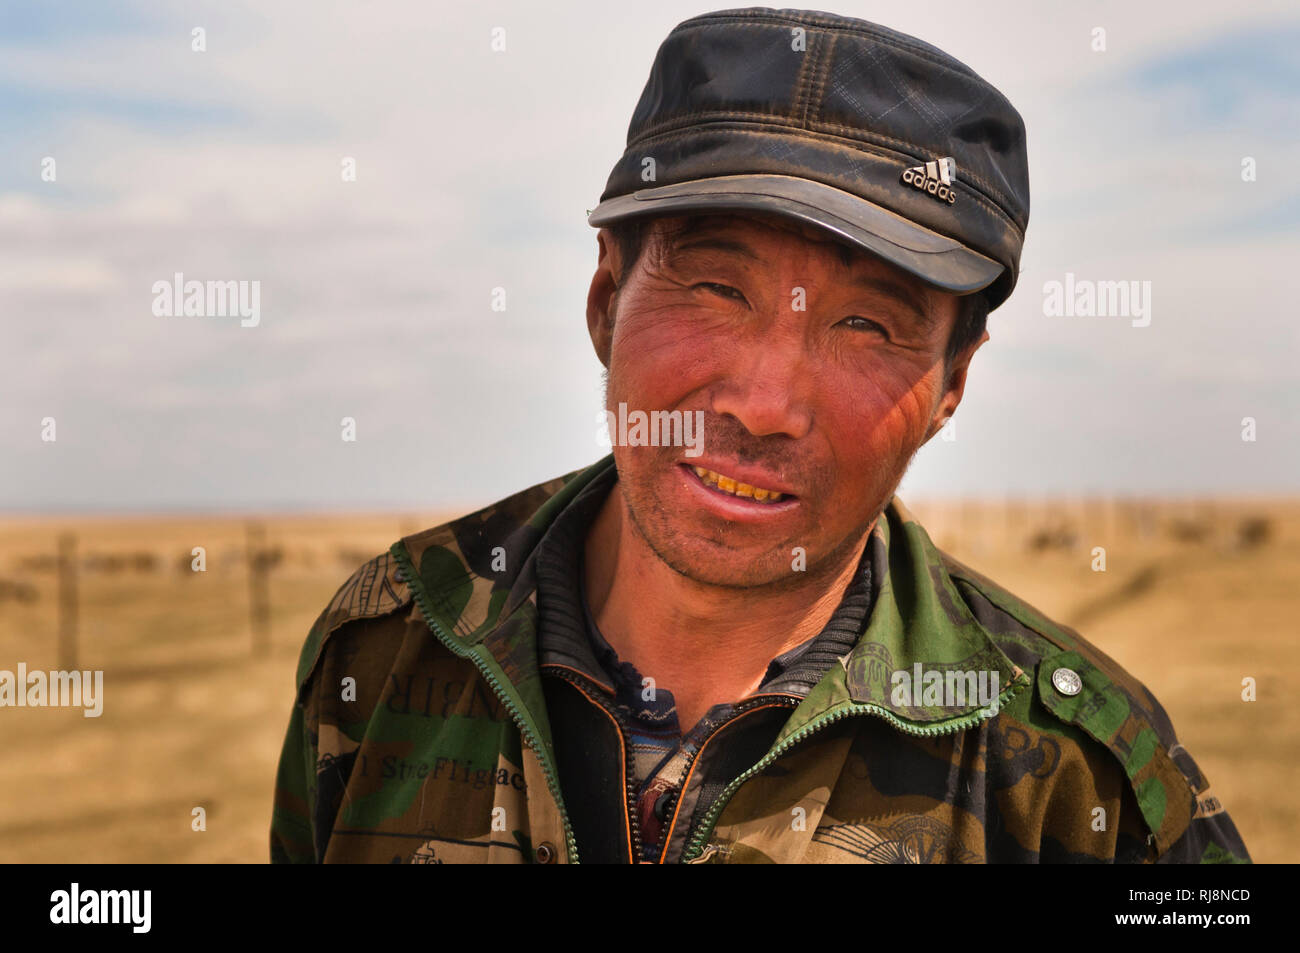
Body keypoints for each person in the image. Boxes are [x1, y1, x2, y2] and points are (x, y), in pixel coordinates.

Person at [270, 6, 1250, 864]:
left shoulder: (1074, 779)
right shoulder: (396, 644)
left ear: (951, 380)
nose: (765, 402)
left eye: (867, 323)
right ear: (606, 297)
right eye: (714, 286)